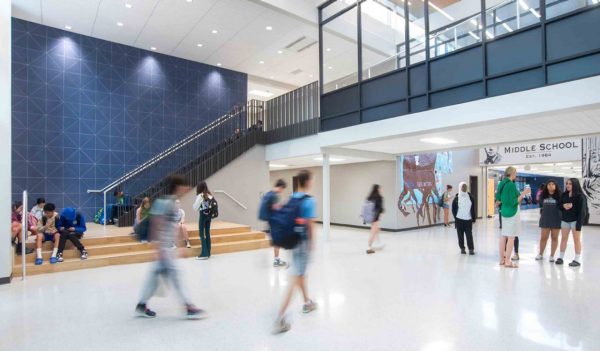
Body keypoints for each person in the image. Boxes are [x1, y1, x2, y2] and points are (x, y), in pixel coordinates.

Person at [135, 175, 204, 319]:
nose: (187, 189)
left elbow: (173, 227)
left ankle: (141, 305)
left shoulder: (173, 203)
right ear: (178, 187)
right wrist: (157, 249)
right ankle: (189, 307)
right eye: (184, 186)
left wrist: (180, 247)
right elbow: (155, 225)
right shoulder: (164, 203)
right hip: (163, 249)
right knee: (176, 277)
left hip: (167, 248)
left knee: (153, 279)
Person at [273, 170, 317, 334]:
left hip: (292, 241)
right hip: (302, 243)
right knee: (294, 277)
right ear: (308, 182)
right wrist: (312, 244)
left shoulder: (292, 198)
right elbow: (311, 225)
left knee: (300, 274)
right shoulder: (309, 201)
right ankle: (280, 317)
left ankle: (307, 302)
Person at [496, 167, 530, 268]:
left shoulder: (502, 183)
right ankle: (507, 261)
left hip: (504, 212)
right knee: (511, 237)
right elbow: (515, 201)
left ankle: (502, 259)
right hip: (512, 212)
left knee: (503, 236)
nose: (516, 175)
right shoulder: (511, 185)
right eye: (515, 173)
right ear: (512, 173)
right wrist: (524, 193)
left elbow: (498, 199)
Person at [557, 178, 586, 267]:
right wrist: (563, 205)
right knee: (563, 239)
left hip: (575, 221)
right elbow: (559, 205)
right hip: (565, 220)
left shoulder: (580, 196)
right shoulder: (564, 194)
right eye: (567, 183)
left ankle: (577, 260)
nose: (568, 185)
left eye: (570, 184)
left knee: (576, 240)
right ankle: (561, 258)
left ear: (575, 185)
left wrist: (579, 224)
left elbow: (582, 212)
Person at [262, 179, 288, 267]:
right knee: (277, 241)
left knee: (276, 241)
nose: (282, 191)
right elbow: (276, 208)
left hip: (270, 221)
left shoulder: (269, 193)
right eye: (282, 189)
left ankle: (276, 259)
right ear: (280, 187)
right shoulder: (274, 195)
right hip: (274, 222)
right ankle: (276, 261)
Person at [536, 180, 562, 262]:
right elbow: (540, 205)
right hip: (545, 219)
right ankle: (540, 254)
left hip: (556, 219)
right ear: (546, 186)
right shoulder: (542, 196)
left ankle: (552, 255)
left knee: (554, 238)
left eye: (553, 184)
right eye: (549, 184)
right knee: (543, 238)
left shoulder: (560, 196)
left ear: (555, 186)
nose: (551, 186)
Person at [452, 182, 476, 255]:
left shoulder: (471, 197)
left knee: (469, 235)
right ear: (460, 188)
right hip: (459, 220)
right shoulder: (456, 198)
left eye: (465, 186)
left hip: (468, 220)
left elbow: (473, 208)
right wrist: (456, 218)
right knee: (460, 235)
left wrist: (473, 218)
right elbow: (453, 209)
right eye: (463, 187)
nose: (464, 188)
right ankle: (462, 248)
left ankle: (471, 249)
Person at [193, 181, 214, 260]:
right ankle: (208, 252)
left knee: (201, 234)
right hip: (209, 216)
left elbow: (195, 208)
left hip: (202, 215)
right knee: (207, 233)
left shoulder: (200, 195)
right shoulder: (210, 195)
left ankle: (204, 253)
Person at [366, 184, 385, 255]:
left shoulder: (369, 197)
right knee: (373, 232)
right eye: (380, 188)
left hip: (370, 216)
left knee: (376, 230)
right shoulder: (379, 197)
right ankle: (369, 248)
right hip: (375, 217)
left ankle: (379, 243)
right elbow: (380, 209)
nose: (380, 190)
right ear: (377, 189)